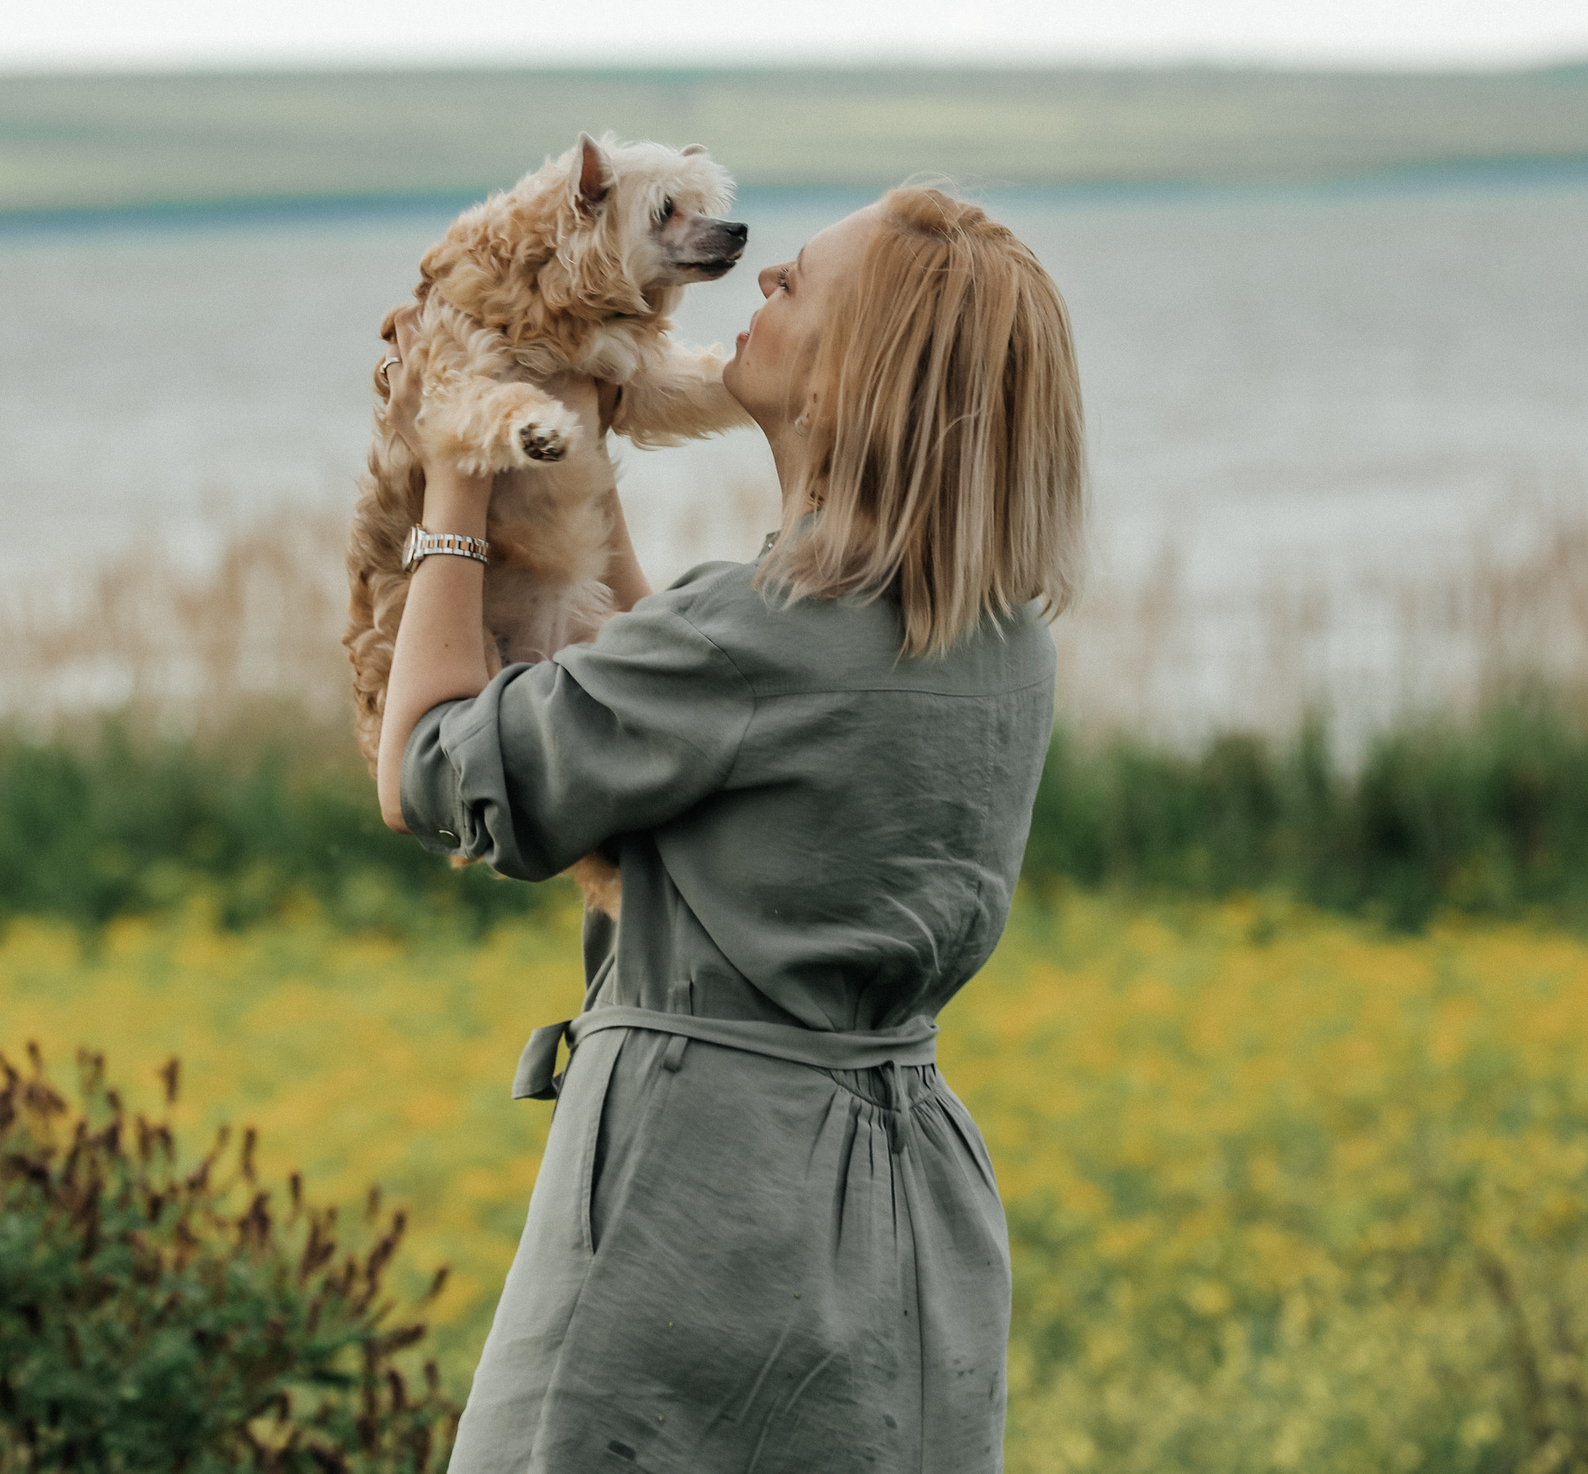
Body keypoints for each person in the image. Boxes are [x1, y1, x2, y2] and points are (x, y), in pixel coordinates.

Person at [375, 183, 1086, 1474]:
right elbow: (696, 714)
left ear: (854, 375)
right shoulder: (1001, 643)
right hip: (906, 1229)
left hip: (694, 1221)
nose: (759, 286)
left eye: (798, 282)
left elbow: (429, 768)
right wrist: (585, 487)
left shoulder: (756, 644)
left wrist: (453, 478)